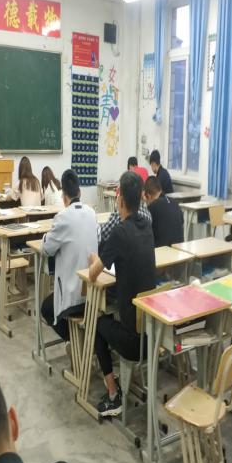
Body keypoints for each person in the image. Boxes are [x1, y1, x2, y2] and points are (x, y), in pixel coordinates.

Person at [88, 171, 156, 417]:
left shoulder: (119, 232)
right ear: (142, 197)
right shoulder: (147, 227)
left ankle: (113, 395)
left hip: (134, 342)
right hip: (153, 335)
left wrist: (94, 259)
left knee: (97, 324)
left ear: (120, 200)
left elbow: (93, 274)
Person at [41, 170, 98, 342]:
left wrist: (45, 237)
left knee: (46, 309)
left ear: (64, 196)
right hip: (92, 294)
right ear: (79, 192)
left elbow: (46, 249)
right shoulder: (92, 213)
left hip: (73, 297)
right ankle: (79, 339)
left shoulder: (62, 217)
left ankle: (74, 341)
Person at [144, 176, 183, 247]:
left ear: (148, 196)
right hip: (180, 249)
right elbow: (182, 222)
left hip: (162, 250)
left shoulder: (152, 207)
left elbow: (145, 231)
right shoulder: (175, 202)